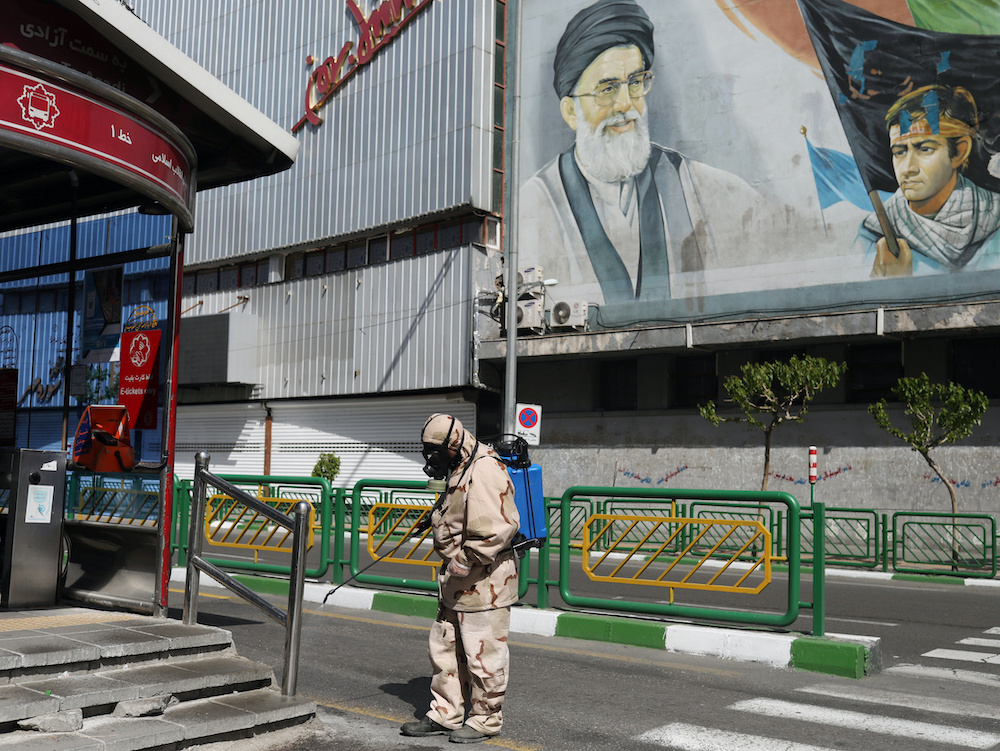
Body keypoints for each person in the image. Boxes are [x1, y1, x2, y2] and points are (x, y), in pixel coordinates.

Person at [518, 0, 783, 304]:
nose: (626, 105)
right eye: (607, 89)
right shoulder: (534, 206)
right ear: (570, 112)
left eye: (635, 83)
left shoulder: (703, 188)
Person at [400, 414, 519, 744]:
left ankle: (485, 720)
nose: (430, 459)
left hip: (484, 582)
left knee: (483, 655)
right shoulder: (460, 465)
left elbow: (496, 529)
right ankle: (446, 714)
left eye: (434, 452)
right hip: (456, 581)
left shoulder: (484, 468)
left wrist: (461, 563)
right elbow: (461, 507)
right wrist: (436, 519)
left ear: (453, 445)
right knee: (446, 650)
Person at [860, 84, 1000, 276]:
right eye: (899, 152)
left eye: (924, 149)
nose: (908, 168)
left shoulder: (995, 216)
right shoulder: (874, 234)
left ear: (959, 152)